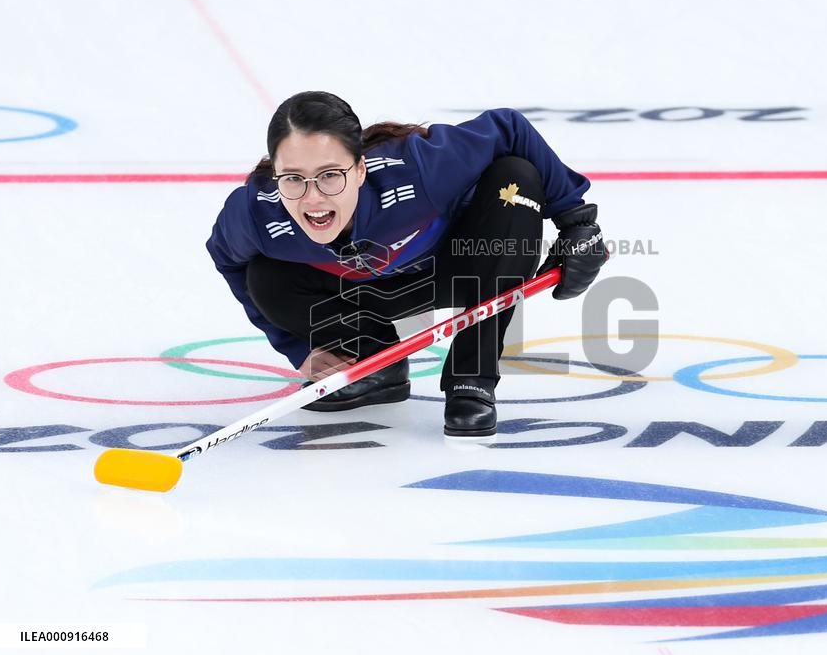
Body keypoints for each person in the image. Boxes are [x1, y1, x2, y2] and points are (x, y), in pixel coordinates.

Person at [206, 91, 606, 438]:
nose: (312, 198)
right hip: (361, 294)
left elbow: (509, 127)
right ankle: (374, 364)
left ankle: (472, 380)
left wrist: (576, 222)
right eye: (293, 178)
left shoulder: (419, 168)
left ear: (361, 169)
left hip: (459, 271)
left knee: (514, 179)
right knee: (265, 276)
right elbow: (228, 259)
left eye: (330, 176)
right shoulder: (256, 214)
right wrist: (299, 349)